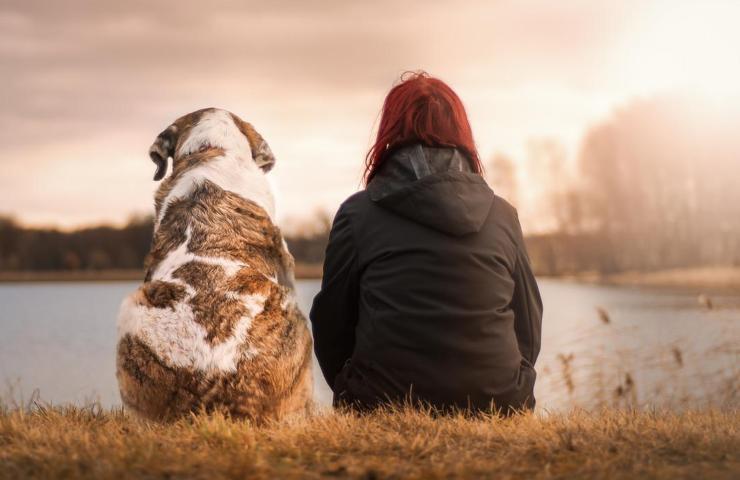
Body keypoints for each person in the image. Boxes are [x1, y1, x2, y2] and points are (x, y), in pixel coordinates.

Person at [310, 71, 543, 414]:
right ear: (462, 133)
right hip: (499, 403)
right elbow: (528, 323)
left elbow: (331, 325)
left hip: (381, 403)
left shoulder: (357, 215)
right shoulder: (502, 215)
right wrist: (510, 384)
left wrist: (352, 389)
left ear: (389, 133)